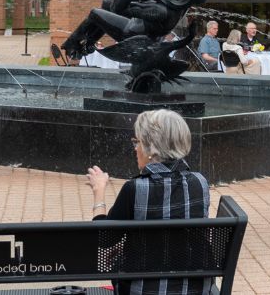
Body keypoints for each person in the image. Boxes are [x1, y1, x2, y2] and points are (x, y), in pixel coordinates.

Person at [84, 109, 214, 294]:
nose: (135, 148)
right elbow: (178, 237)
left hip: (142, 290)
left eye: (137, 142)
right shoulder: (200, 183)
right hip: (195, 290)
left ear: (151, 148)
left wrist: (99, 191)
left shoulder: (135, 188)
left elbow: (104, 239)